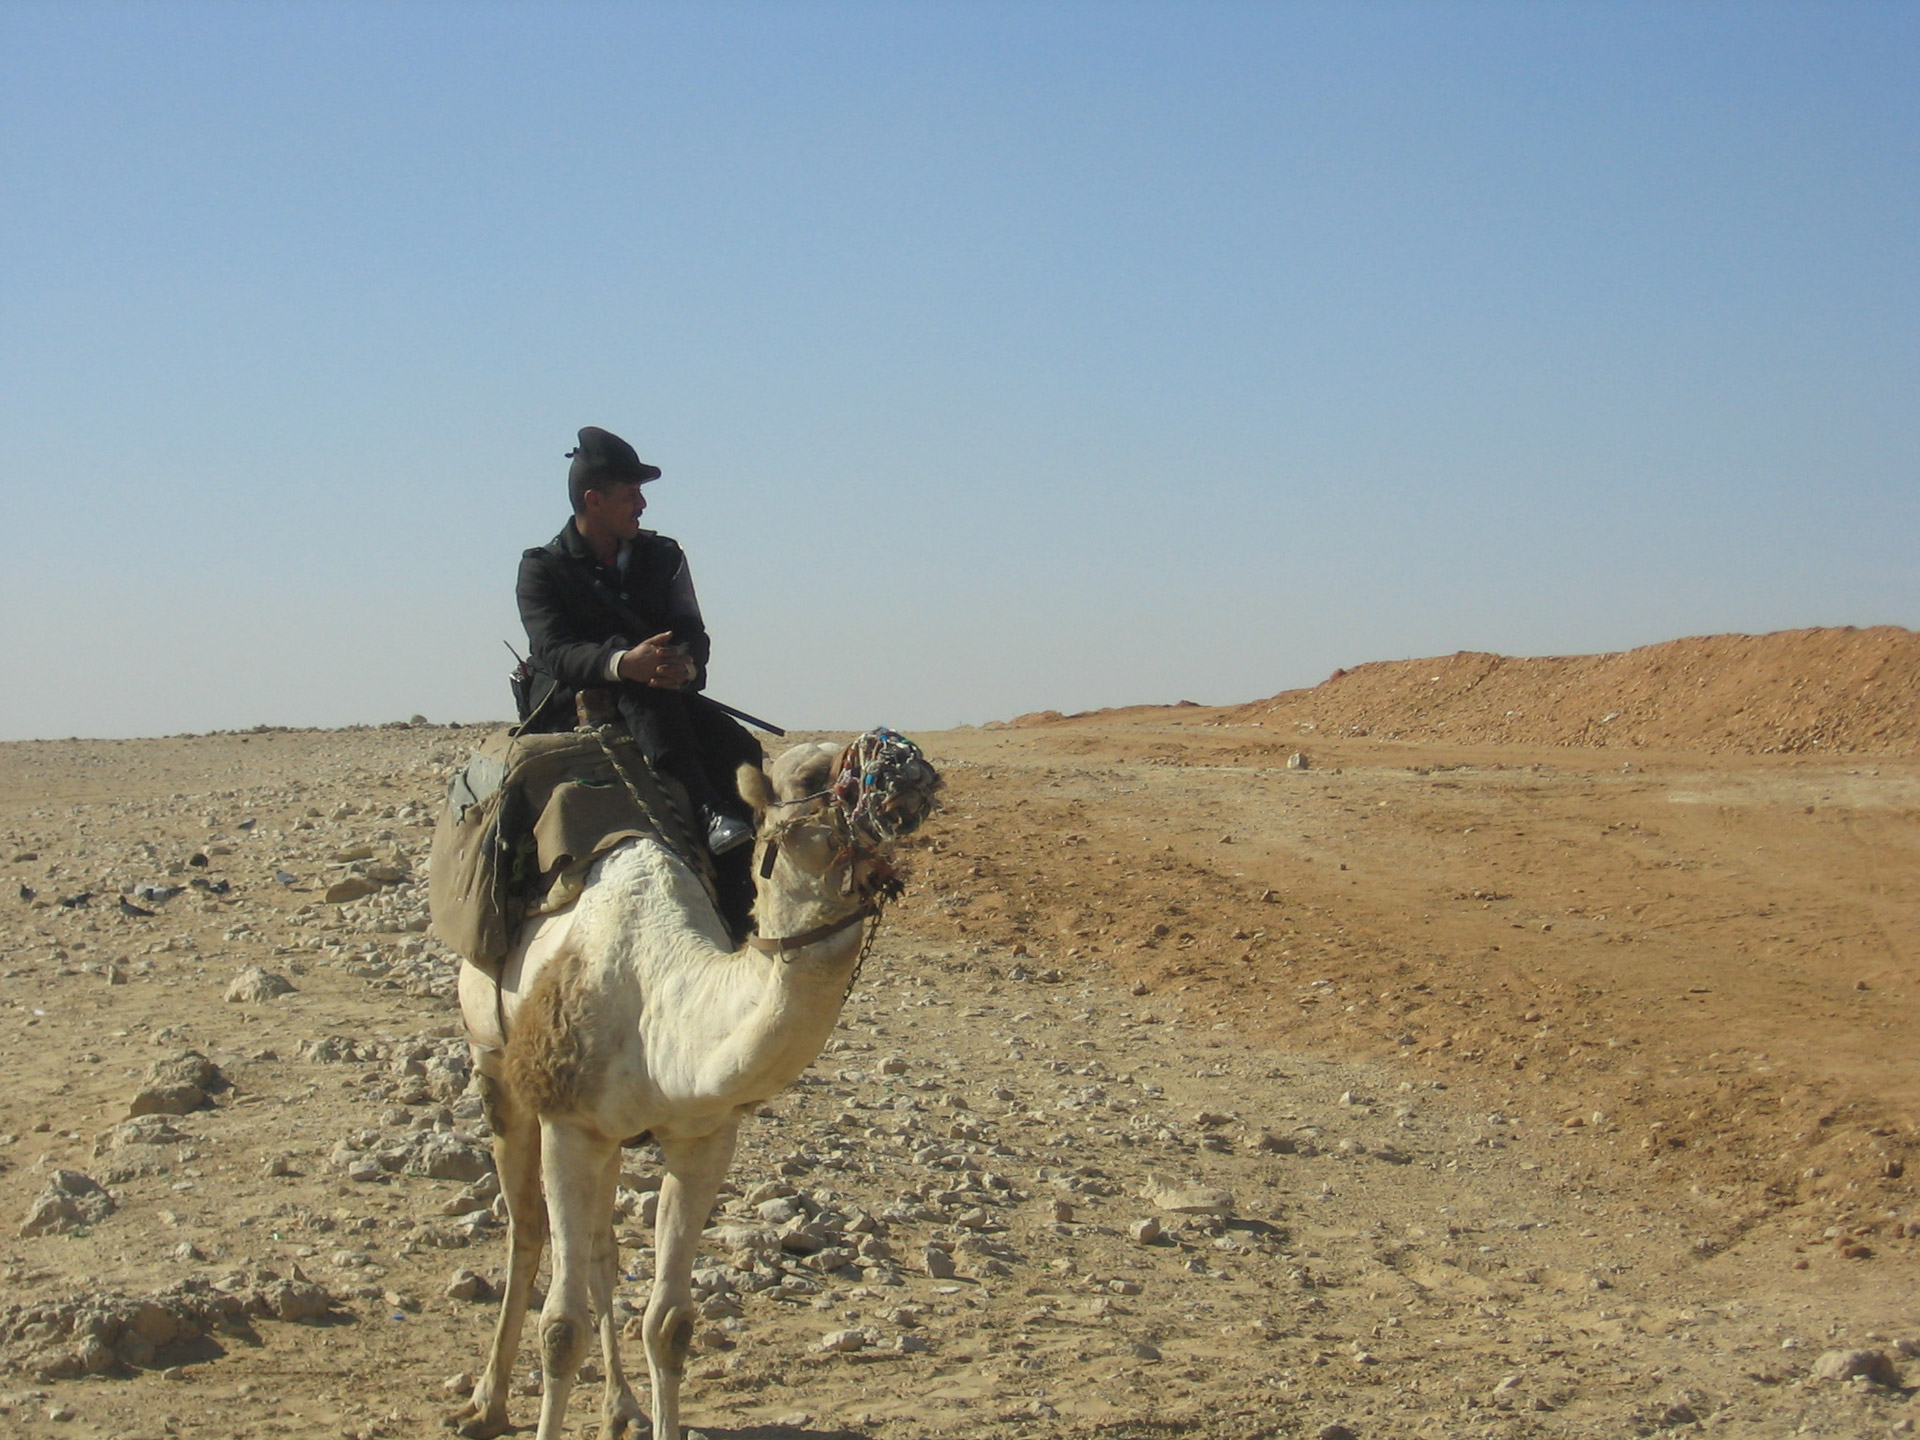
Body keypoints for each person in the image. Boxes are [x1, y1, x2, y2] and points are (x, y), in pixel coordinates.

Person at [515, 426, 762, 862]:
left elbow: (692, 631)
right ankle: (707, 808)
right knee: (641, 692)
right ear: (595, 500)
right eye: (631, 495)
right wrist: (623, 663)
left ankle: (741, 891)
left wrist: (684, 667)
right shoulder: (542, 569)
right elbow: (554, 651)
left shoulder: (664, 556)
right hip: (575, 695)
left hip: (663, 688)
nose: (642, 505)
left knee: (740, 749)